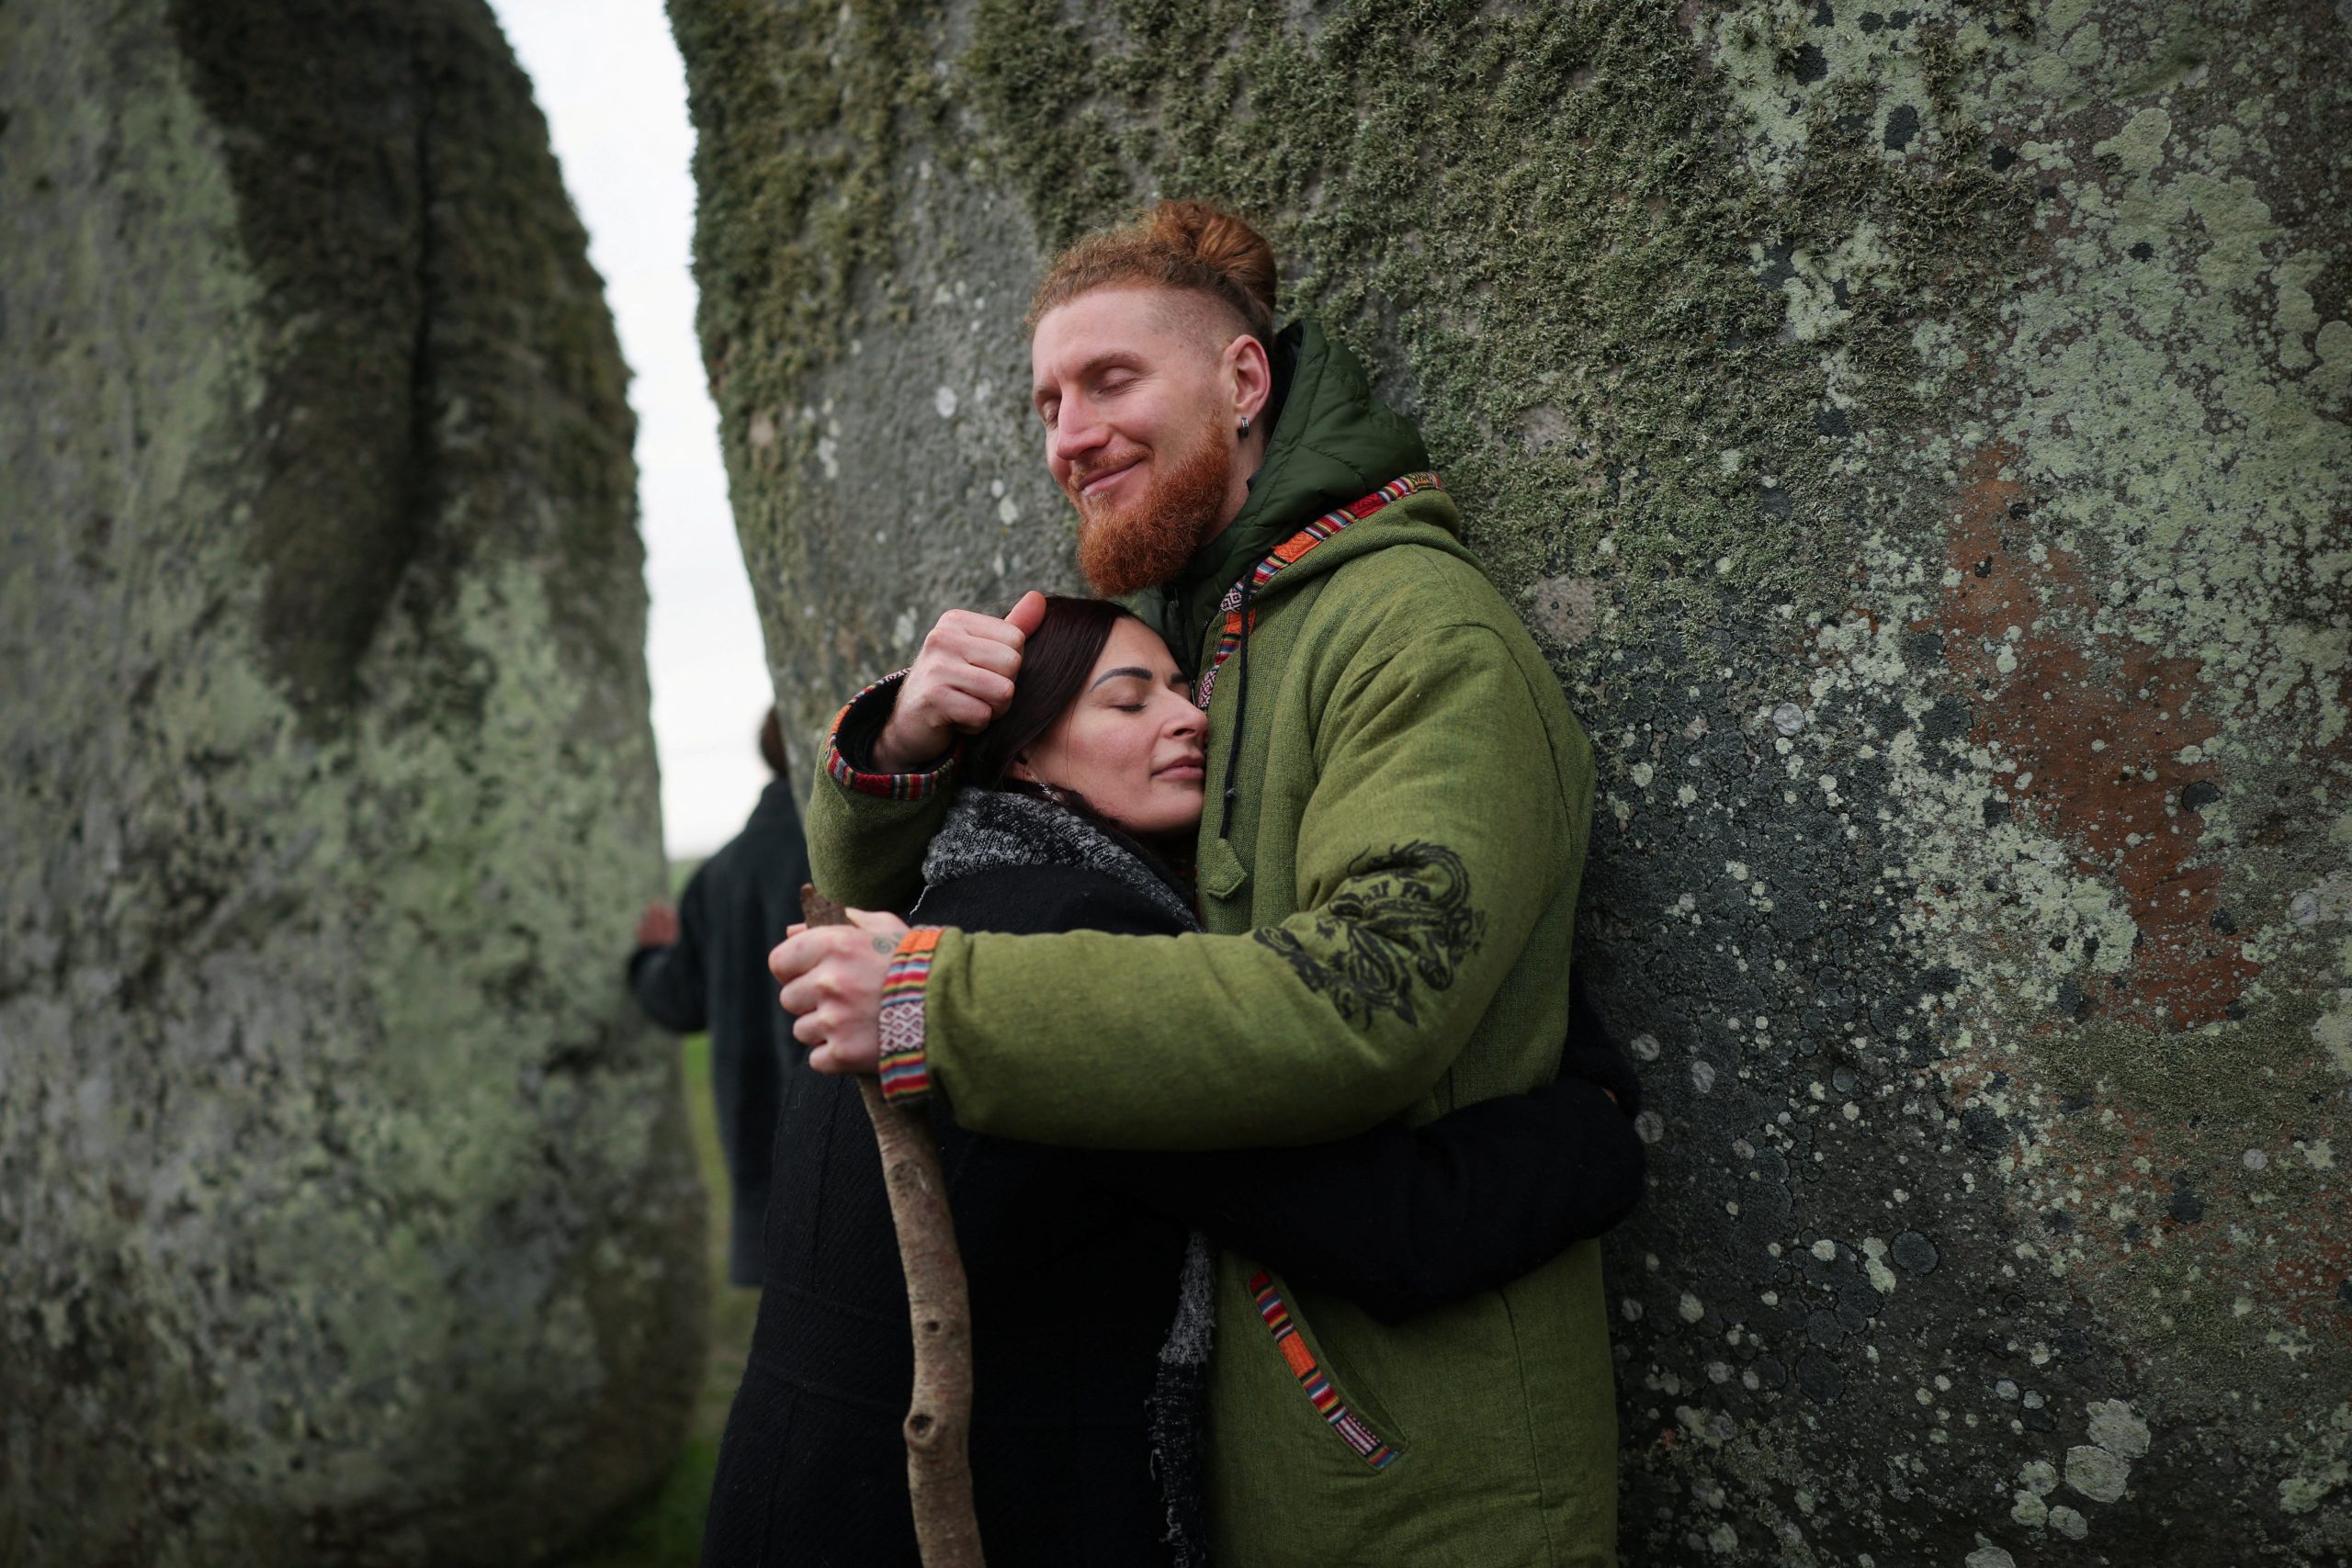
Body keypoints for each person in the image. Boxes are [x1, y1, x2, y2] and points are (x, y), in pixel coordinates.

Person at [775, 199, 1615, 1564]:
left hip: (1426, 1466)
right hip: (1246, 1440)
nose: (1068, 434)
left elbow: (1368, 997)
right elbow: (955, 883)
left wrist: (939, 1003)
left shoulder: (1416, 631)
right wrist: (906, 746)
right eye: (1046, 400)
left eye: (1111, 380)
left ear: (1243, 381)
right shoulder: (1206, 631)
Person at [702, 597, 1643, 1567]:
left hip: (795, 1491)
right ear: (1022, 755)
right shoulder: (1069, 937)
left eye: (1185, 687)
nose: (1190, 716)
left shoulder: (954, 905)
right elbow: (1388, 1225)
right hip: (943, 1520)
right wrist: (1594, 1123)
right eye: (1127, 701)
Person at [628, 708, 811, 1286]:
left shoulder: (721, 872)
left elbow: (680, 1000)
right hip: (845, 1116)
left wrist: (650, 959)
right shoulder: (853, 845)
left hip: (761, 1135)